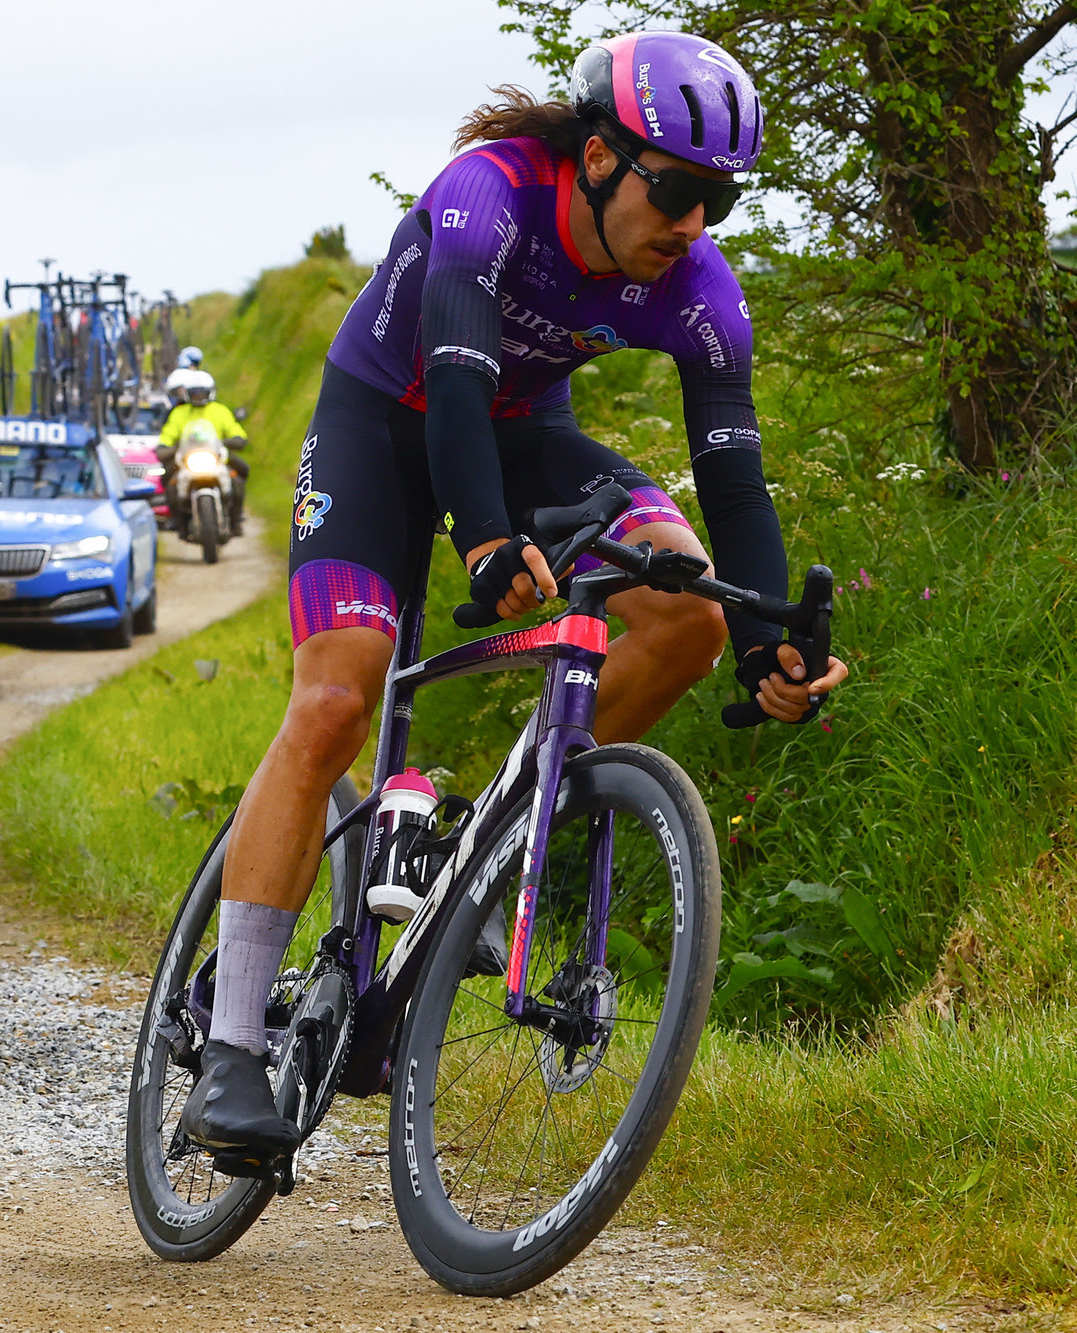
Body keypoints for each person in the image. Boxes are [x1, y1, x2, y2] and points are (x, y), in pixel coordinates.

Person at [177, 31, 846, 1165]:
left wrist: (772, 645)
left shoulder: (697, 290)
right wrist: (483, 542)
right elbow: (451, 378)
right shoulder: (486, 197)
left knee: (691, 614)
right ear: (596, 157)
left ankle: (486, 854)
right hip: (380, 428)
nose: (691, 225)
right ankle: (233, 1045)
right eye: (676, 190)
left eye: (716, 203)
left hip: (521, 434)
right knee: (338, 699)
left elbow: (733, 480)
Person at [155, 369, 250, 533]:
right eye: (194, 394)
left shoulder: (220, 410)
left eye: (202, 393)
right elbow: (167, 435)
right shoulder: (179, 413)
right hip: (187, 460)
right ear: (187, 394)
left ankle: (236, 520)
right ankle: (178, 522)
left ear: (210, 392)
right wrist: (165, 447)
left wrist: (234, 439)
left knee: (240, 474)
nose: (198, 397)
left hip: (217, 457)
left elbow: (235, 430)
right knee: (169, 481)